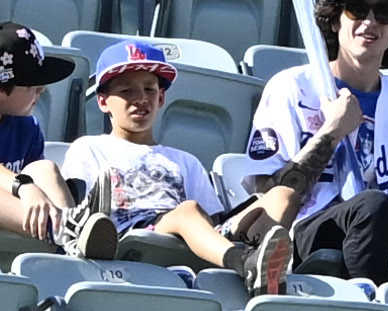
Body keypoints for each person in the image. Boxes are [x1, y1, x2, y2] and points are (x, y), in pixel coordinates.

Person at [243, 0, 388, 286]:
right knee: (373, 206)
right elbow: (269, 191)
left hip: (386, 227)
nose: (370, 22)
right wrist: (331, 132)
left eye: (384, 13)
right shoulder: (292, 87)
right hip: (308, 228)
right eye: (356, 9)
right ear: (335, 20)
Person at [45, 39, 287, 276]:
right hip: (126, 237)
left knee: (282, 196)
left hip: (192, 237)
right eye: (126, 91)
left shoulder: (185, 161)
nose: (140, 98)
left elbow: (212, 219)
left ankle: (267, 267)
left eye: (149, 89)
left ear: (161, 98)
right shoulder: (90, 147)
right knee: (187, 212)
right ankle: (245, 265)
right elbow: (79, 210)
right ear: (103, 102)